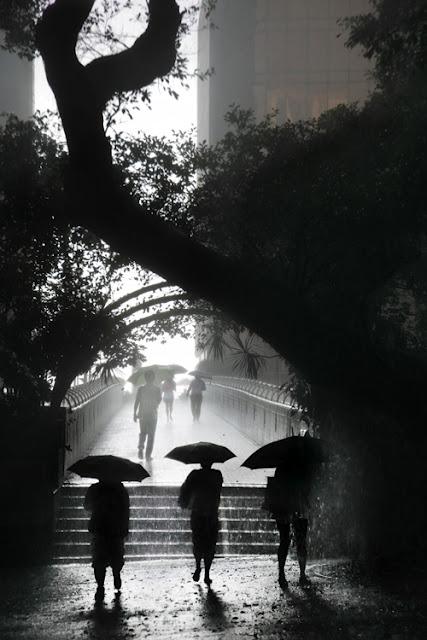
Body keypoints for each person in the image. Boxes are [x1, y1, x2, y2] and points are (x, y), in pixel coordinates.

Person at [264, 456, 316, 589]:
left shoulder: (281, 468)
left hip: (283, 509)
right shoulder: (303, 468)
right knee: (301, 542)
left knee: (284, 540)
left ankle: (281, 574)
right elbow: (308, 489)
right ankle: (302, 575)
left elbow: (276, 490)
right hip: (299, 508)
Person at [178, 461, 223, 586]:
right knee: (210, 543)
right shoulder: (217, 475)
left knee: (198, 542)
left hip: (197, 514)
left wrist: (184, 502)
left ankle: (198, 566)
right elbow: (218, 490)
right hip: (212, 514)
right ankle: (207, 574)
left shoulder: (194, 475)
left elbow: (185, 489)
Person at [84, 479, 130, 598]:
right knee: (116, 555)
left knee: (99, 558)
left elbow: (86, 506)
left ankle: (100, 585)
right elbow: (126, 509)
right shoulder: (120, 489)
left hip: (99, 527)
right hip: (116, 527)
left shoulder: (94, 488)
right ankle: (116, 575)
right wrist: (125, 526)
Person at [133, 370, 162, 459]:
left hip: (142, 414)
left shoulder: (141, 389)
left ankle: (141, 448)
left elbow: (137, 401)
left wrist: (134, 413)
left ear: (145, 378)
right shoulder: (157, 389)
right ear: (153, 378)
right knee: (151, 435)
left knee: (143, 433)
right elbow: (159, 401)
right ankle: (148, 455)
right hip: (153, 414)